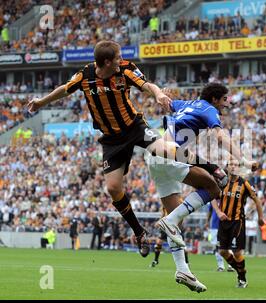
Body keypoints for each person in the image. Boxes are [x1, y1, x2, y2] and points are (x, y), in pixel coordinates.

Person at [26, 40, 216, 258]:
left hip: (134, 127)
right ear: (106, 62)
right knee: (113, 188)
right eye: (117, 57)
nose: (120, 60)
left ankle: (212, 167)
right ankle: (140, 233)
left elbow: (147, 84)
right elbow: (65, 89)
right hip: (111, 140)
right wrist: (42, 101)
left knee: (164, 149)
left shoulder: (125, 69)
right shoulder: (85, 76)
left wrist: (158, 95)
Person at [156, 83, 258, 248]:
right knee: (215, 187)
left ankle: (182, 267)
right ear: (214, 99)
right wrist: (244, 160)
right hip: (170, 155)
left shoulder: (188, 103)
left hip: (158, 156)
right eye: (224, 99)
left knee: (177, 219)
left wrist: (161, 93)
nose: (227, 103)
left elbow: (166, 103)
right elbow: (221, 137)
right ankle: (170, 220)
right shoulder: (209, 110)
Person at [211, 160, 264, 288]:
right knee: (223, 251)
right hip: (223, 222)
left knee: (236, 252)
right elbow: (212, 196)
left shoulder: (244, 183)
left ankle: (242, 279)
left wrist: (260, 218)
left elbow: (257, 200)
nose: (234, 166)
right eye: (231, 164)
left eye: (236, 165)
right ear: (227, 167)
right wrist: (218, 212)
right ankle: (241, 271)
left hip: (237, 222)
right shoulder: (221, 181)